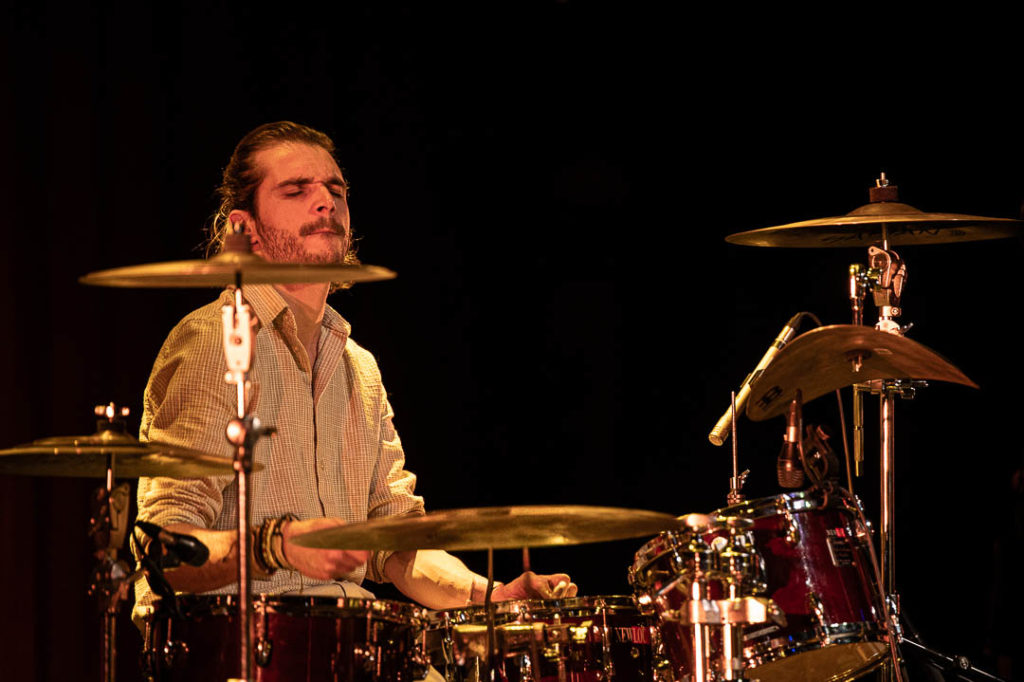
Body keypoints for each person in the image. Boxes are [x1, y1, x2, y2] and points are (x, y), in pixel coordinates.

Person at [132, 121, 576, 625]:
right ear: (244, 229)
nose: (326, 202)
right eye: (296, 191)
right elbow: (163, 549)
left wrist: (492, 596)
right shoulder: (212, 343)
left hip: (347, 637)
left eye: (336, 190)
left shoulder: (359, 368)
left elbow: (397, 544)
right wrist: (275, 546)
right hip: (246, 643)